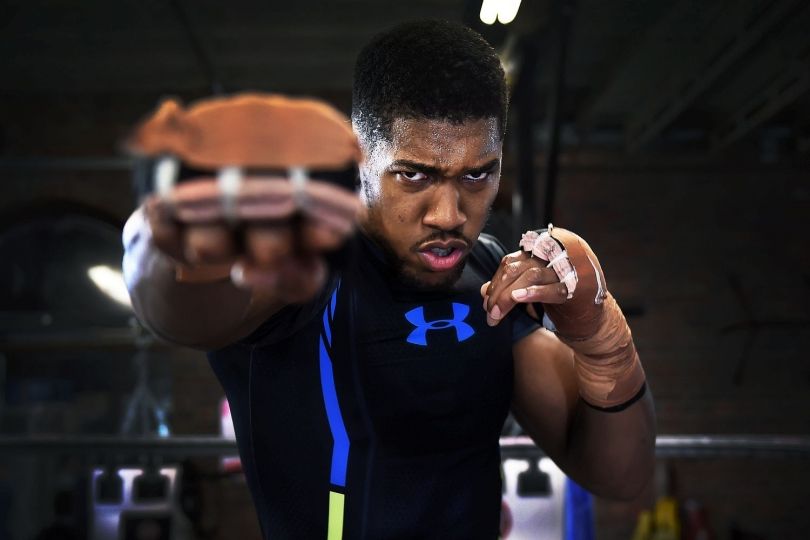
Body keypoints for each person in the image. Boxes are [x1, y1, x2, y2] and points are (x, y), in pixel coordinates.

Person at [123, 19, 655, 539]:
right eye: (414, 174)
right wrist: (176, 235)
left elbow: (620, 476)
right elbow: (179, 312)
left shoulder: (489, 275)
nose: (448, 215)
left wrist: (601, 333)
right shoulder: (306, 270)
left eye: (477, 174)